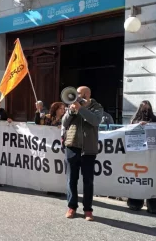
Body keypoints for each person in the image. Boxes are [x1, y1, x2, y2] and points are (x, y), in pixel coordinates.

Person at [62, 86, 103, 221]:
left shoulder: (97, 107)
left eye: (78, 93)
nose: (76, 96)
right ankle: (71, 206)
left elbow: (95, 121)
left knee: (88, 181)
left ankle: (88, 210)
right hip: (72, 146)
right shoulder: (72, 107)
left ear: (86, 94)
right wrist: (71, 112)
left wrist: (81, 109)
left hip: (88, 149)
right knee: (71, 179)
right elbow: (64, 122)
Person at [126, 100, 156, 214]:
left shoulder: (155, 121)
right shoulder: (134, 121)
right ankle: (136, 203)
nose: (146, 112)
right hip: (141, 156)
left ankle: (152, 206)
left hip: (151, 156)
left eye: (147, 109)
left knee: (150, 180)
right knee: (139, 180)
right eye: (144, 109)